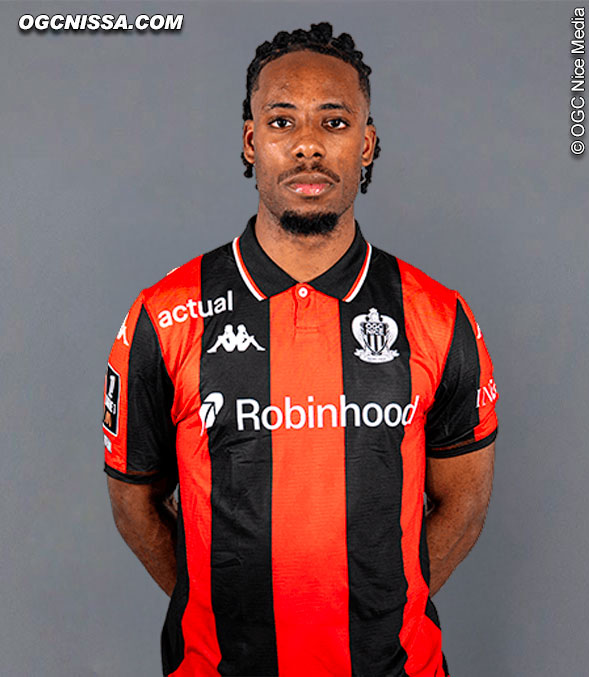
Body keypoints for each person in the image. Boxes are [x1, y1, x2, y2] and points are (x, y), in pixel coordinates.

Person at [103, 22, 498, 677]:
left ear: (366, 144)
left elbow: (466, 502)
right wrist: (220, 606)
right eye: (282, 121)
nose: (308, 144)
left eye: (334, 123)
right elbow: (133, 503)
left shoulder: (438, 315)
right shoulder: (164, 315)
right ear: (251, 141)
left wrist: (379, 609)